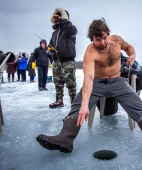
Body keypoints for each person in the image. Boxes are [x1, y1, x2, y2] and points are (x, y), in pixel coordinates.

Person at [36, 18, 142, 153]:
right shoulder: (91, 51)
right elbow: (89, 78)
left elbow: (129, 47)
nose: (102, 42)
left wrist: (132, 55)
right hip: (97, 82)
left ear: (107, 34)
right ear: (92, 38)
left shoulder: (117, 40)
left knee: (137, 104)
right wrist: (85, 105)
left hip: (117, 81)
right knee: (78, 104)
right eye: (98, 40)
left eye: (104, 38)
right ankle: (65, 139)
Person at [48, 8, 77, 108]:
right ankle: (59, 101)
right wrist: (50, 48)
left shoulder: (69, 30)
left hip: (67, 61)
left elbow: (73, 31)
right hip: (56, 61)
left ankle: (74, 102)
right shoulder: (54, 33)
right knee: (58, 82)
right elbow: (51, 43)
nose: (57, 18)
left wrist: (63, 20)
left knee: (70, 83)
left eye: (59, 16)